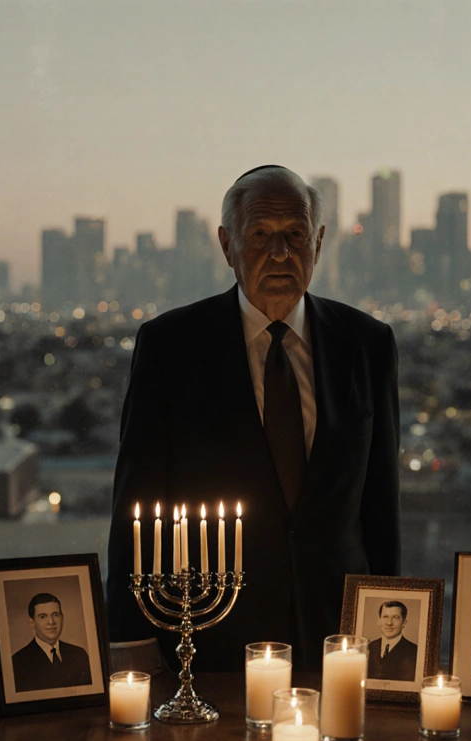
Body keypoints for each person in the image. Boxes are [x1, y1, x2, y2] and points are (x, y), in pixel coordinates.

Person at [105, 166, 401, 672]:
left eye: (296, 235)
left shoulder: (368, 344)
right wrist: (130, 641)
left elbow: (381, 506)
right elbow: (137, 500)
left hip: (339, 640)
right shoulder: (171, 346)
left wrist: (389, 625)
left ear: (320, 242)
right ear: (227, 245)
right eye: (260, 235)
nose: (281, 254)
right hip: (208, 639)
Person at [12, 593, 94, 691]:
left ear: (62, 617)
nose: (51, 622)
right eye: (43, 616)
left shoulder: (79, 654)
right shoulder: (18, 662)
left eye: (55, 615)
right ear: (32, 623)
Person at [367, 601, 419, 681]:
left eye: (396, 617)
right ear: (379, 621)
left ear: (404, 623)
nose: (389, 623)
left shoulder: (415, 652)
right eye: (385, 617)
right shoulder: (368, 648)